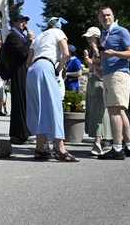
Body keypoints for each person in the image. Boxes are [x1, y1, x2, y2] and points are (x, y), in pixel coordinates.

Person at [26, 17, 78, 162]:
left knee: (38, 109)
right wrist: (58, 69)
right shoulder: (58, 33)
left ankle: (40, 149)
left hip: (31, 71)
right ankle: (60, 149)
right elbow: (66, 53)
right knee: (54, 107)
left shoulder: (38, 37)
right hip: (46, 66)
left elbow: (28, 62)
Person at [96, 7, 130, 160]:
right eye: (103, 15)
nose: (106, 17)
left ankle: (117, 148)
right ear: (99, 18)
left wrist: (113, 53)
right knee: (119, 111)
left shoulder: (121, 31)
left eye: (108, 15)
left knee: (114, 110)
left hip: (118, 74)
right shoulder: (104, 34)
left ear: (113, 16)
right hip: (109, 74)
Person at [4, 14, 34, 144]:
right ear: (15, 23)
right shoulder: (13, 36)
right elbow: (22, 52)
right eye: (21, 21)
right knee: (19, 102)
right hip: (18, 73)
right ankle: (19, 134)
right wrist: (30, 40)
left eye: (25, 22)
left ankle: (22, 132)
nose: (24, 24)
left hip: (23, 72)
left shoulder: (20, 36)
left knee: (23, 102)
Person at [82, 27, 112, 156]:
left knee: (99, 112)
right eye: (87, 38)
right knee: (96, 111)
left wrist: (91, 63)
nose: (89, 40)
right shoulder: (94, 50)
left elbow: (104, 66)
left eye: (91, 37)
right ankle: (105, 141)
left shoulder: (101, 49)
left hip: (99, 82)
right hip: (93, 81)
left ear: (97, 37)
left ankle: (98, 142)